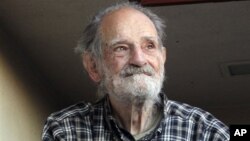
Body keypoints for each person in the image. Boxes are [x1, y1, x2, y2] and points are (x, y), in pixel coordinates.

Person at [42, 2, 229, 141]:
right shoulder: (66, 129)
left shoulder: (204, 130)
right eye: (121, 48)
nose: (139, 60)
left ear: (162, 57)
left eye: (149, 46)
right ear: (93, 66)